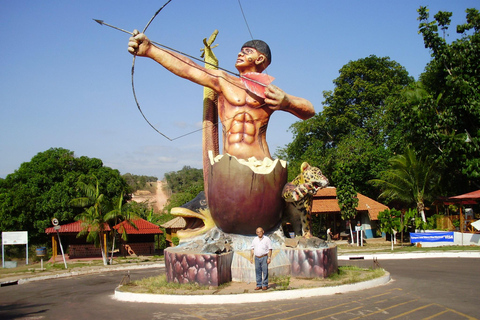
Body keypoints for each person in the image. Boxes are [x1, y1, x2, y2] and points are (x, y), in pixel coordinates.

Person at [128, 32, 315, 161]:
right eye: (241, 50)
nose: (240, 53)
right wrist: (151, 50)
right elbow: (189, 68)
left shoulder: (270, 92)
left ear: (260, 60)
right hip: (230, 164)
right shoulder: (223, 80)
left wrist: (288, 102)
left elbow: (309, 110)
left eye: (248, 51)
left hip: (261, 163)